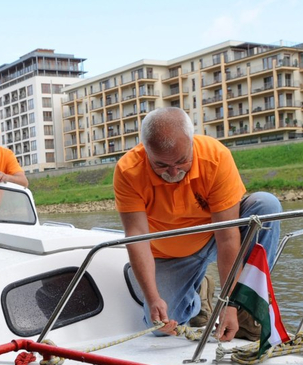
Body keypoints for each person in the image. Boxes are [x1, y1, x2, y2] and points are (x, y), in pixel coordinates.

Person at [113, 107, 281, 341]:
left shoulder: (215, 156)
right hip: (169, 254)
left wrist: (229, 302)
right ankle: (198, 294)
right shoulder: (128, 170)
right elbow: (137, 237)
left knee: (266, 206)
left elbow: (227, 235)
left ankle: (245, 307)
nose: (173, 172)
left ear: (191, 142)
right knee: (163, 326)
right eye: (161, 165)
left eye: (181, 161)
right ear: (145, 151)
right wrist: (152, 298)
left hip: (215, 233)